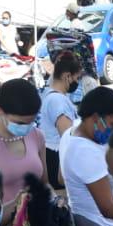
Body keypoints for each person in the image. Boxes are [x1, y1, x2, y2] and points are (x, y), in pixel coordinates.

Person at [60, 86, 113, 226]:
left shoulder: (70, 132)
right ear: (96, 118)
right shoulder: (85, 152)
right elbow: (108, 209)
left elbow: (60, 178)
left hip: (86, 221)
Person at [0, 78, 46, 205]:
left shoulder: (36, 135)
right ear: (0, 110)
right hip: (3, 222)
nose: (26, 127)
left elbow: (44, 183)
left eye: (31, 122)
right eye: (20, 123)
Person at [39, 51, 82, 188]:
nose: (77, 82)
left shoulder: (50, 94)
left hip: (54, 158)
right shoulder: (58, 101)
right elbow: (68, 138)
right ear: (67, 76)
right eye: (77, 77)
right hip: (58, 162)